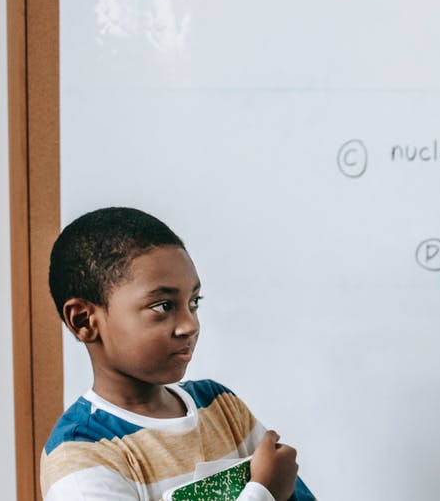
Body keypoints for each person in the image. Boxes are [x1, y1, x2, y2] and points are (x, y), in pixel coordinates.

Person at [41, 207, 315, 501]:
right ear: (84, 321)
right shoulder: (80, 455)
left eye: (194, 302)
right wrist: (264, 492)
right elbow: (273, 486)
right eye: (163, 306)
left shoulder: (220, 406)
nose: (190, 325)